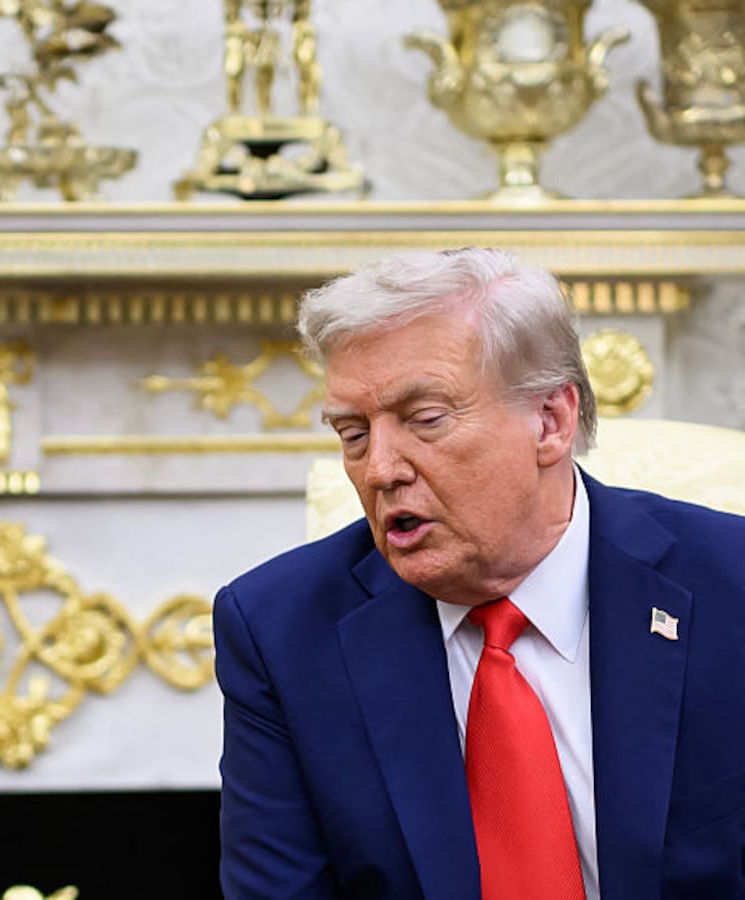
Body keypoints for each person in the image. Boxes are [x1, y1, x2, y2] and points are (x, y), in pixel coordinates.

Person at [215, 247, 745, 899]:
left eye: (425, 421)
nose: (380, 469)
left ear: (551, 421)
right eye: (353, 434)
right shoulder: (281, 630)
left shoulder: (729, 587)